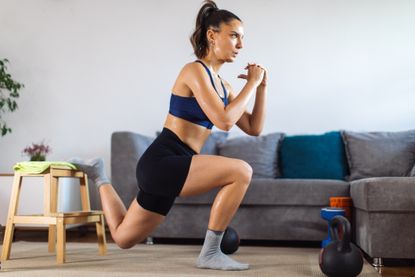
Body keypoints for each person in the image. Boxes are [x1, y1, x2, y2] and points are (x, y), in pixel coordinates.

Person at [72, 0, 267, 271]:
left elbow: (254, 128)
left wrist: (260, 88)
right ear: (212, 35)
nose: (240, 45)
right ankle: (210, 253)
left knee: (122, 237)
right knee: (241, 171)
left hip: (177, 165)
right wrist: (253, 83)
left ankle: (98, 175)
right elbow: (223, 121)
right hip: (163, 160)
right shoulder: (194, 71)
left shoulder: (224, 85)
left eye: (242, 38)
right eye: (234, 36)